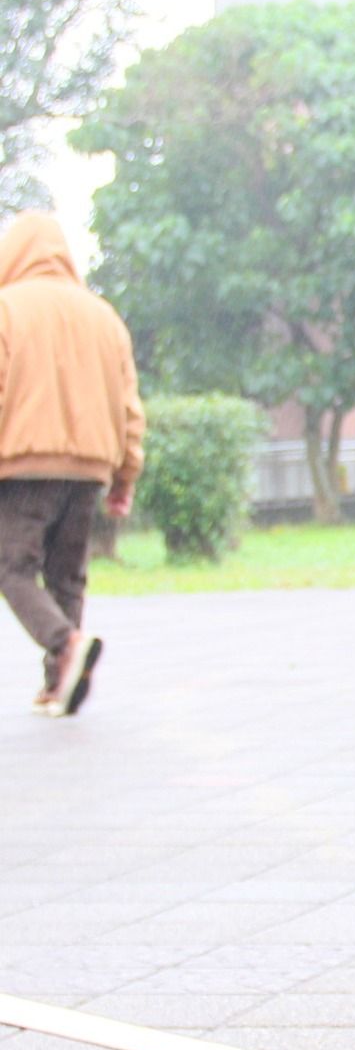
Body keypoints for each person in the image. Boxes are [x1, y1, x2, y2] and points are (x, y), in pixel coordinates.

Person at [0, 212, 145, 717]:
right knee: (67, 576)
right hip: (90, 470)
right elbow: (130, 407)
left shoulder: (5, 309)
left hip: (22, 467)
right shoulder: (104, 317)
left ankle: (63, 644)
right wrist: (126, 475)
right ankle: (56, 684)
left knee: (11, 565)